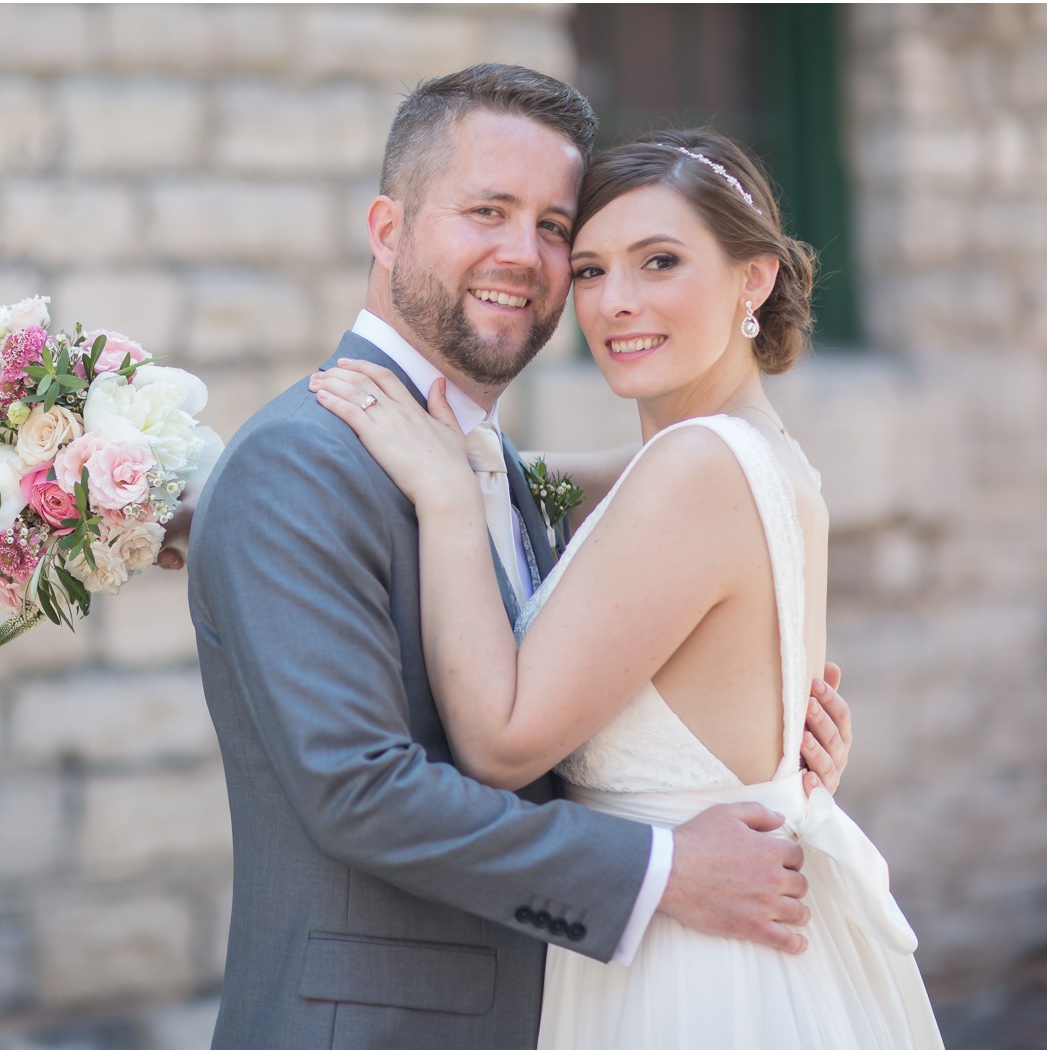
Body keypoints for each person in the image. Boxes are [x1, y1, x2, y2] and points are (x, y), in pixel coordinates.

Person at [187, 65, 854, 1049]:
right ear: (386, 230)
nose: (526, 255)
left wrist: (757, 751)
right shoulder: (303, 460)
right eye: (487, 211)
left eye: (552, 229)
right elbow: (360, 791)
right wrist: (666, 863)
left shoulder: (493, 468)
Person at [310, 126, 942, 1046]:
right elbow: (526, 481)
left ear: (752, 279)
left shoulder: (695, 469)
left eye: (660, 262)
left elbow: (500, 743)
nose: (618, 302)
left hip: (687, 972)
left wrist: (445, 494)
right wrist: (196, 497)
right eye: (594, 269)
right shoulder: (737, 454)